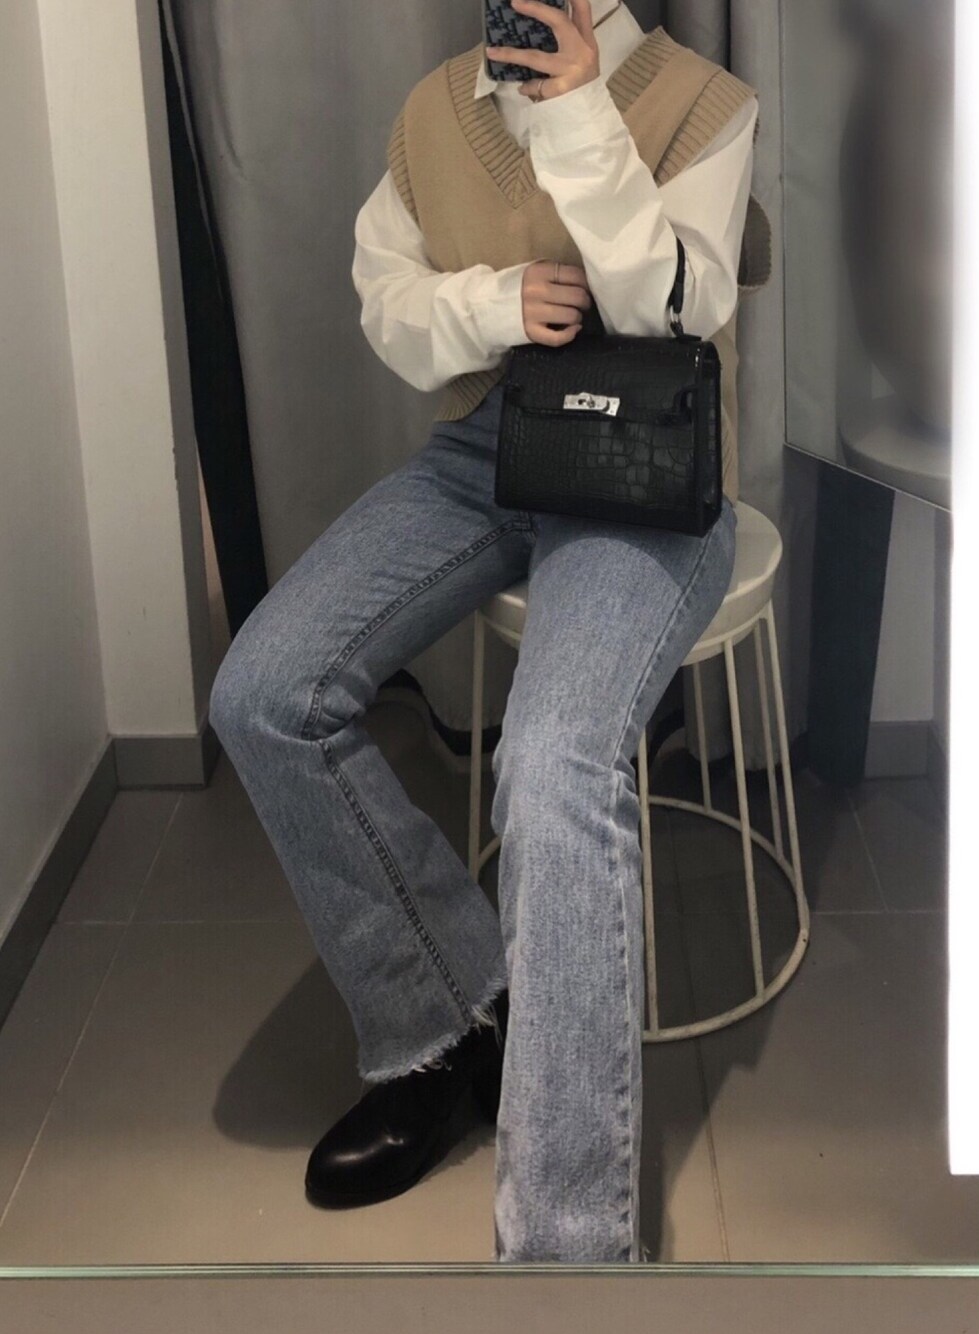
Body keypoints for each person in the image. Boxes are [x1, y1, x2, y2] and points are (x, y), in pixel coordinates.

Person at [208, 0, 762, 1264]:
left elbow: (674, 304)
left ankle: (564, 1253)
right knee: (263, 691)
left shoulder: (703, 102)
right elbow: (387, 303)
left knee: (554, 762)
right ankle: (444, 1023)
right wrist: (499, 302)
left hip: (650, 465)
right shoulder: (435, 111)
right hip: (484, 449)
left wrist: (576, 110)